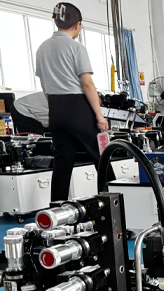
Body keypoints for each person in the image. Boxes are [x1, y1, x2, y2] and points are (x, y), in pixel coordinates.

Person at [35, 3, 111, 201]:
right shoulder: (76, 47)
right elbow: (87, 83)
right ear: (78, 25)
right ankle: (114, 204)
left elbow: (44, 84)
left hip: (55, 109)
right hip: (77, 107)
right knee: (101, 156)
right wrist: (100, 116)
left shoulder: (42, 48)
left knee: (62, 163)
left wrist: (56, 106)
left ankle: (56, 209)